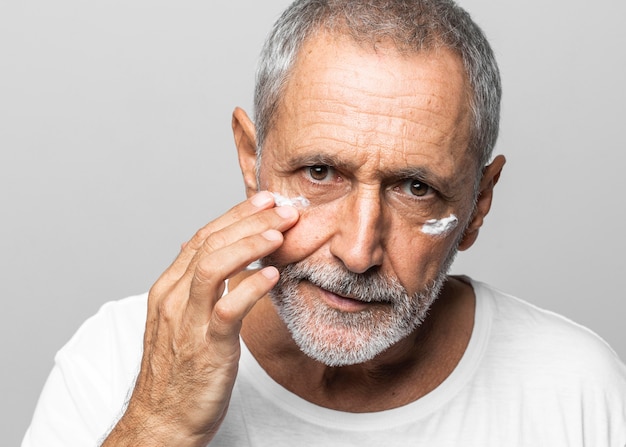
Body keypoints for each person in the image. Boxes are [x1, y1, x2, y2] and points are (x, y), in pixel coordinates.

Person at [22, 0, 626, 445]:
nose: (359, 250)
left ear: (478, 204)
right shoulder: (120, 359)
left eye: (417, 189)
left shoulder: (576, 389)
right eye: (319, 172)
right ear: (251, 160)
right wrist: (158, 422)